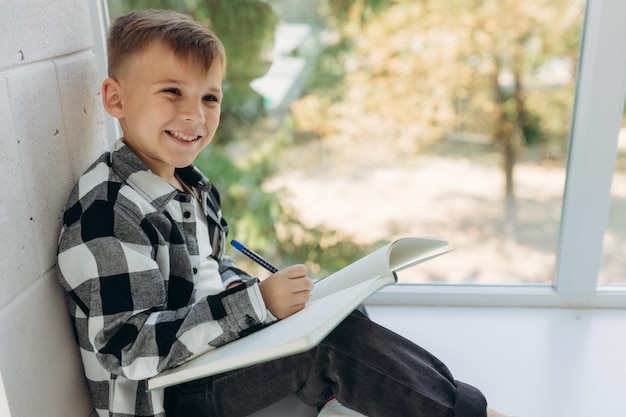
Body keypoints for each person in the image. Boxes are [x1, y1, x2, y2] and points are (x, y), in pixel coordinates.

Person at [56, 9, 509, 417]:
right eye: (172, 92)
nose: (194, 115)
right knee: (325, 349)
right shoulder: (108, 210)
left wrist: (254, 294)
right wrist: (253, 305)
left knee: (338, 318)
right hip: (169, 395)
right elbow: (129, 350)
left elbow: (212, 269)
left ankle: (432, 405)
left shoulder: (189, 183)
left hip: (209, 360)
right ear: (116, 100)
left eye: (209, 98)